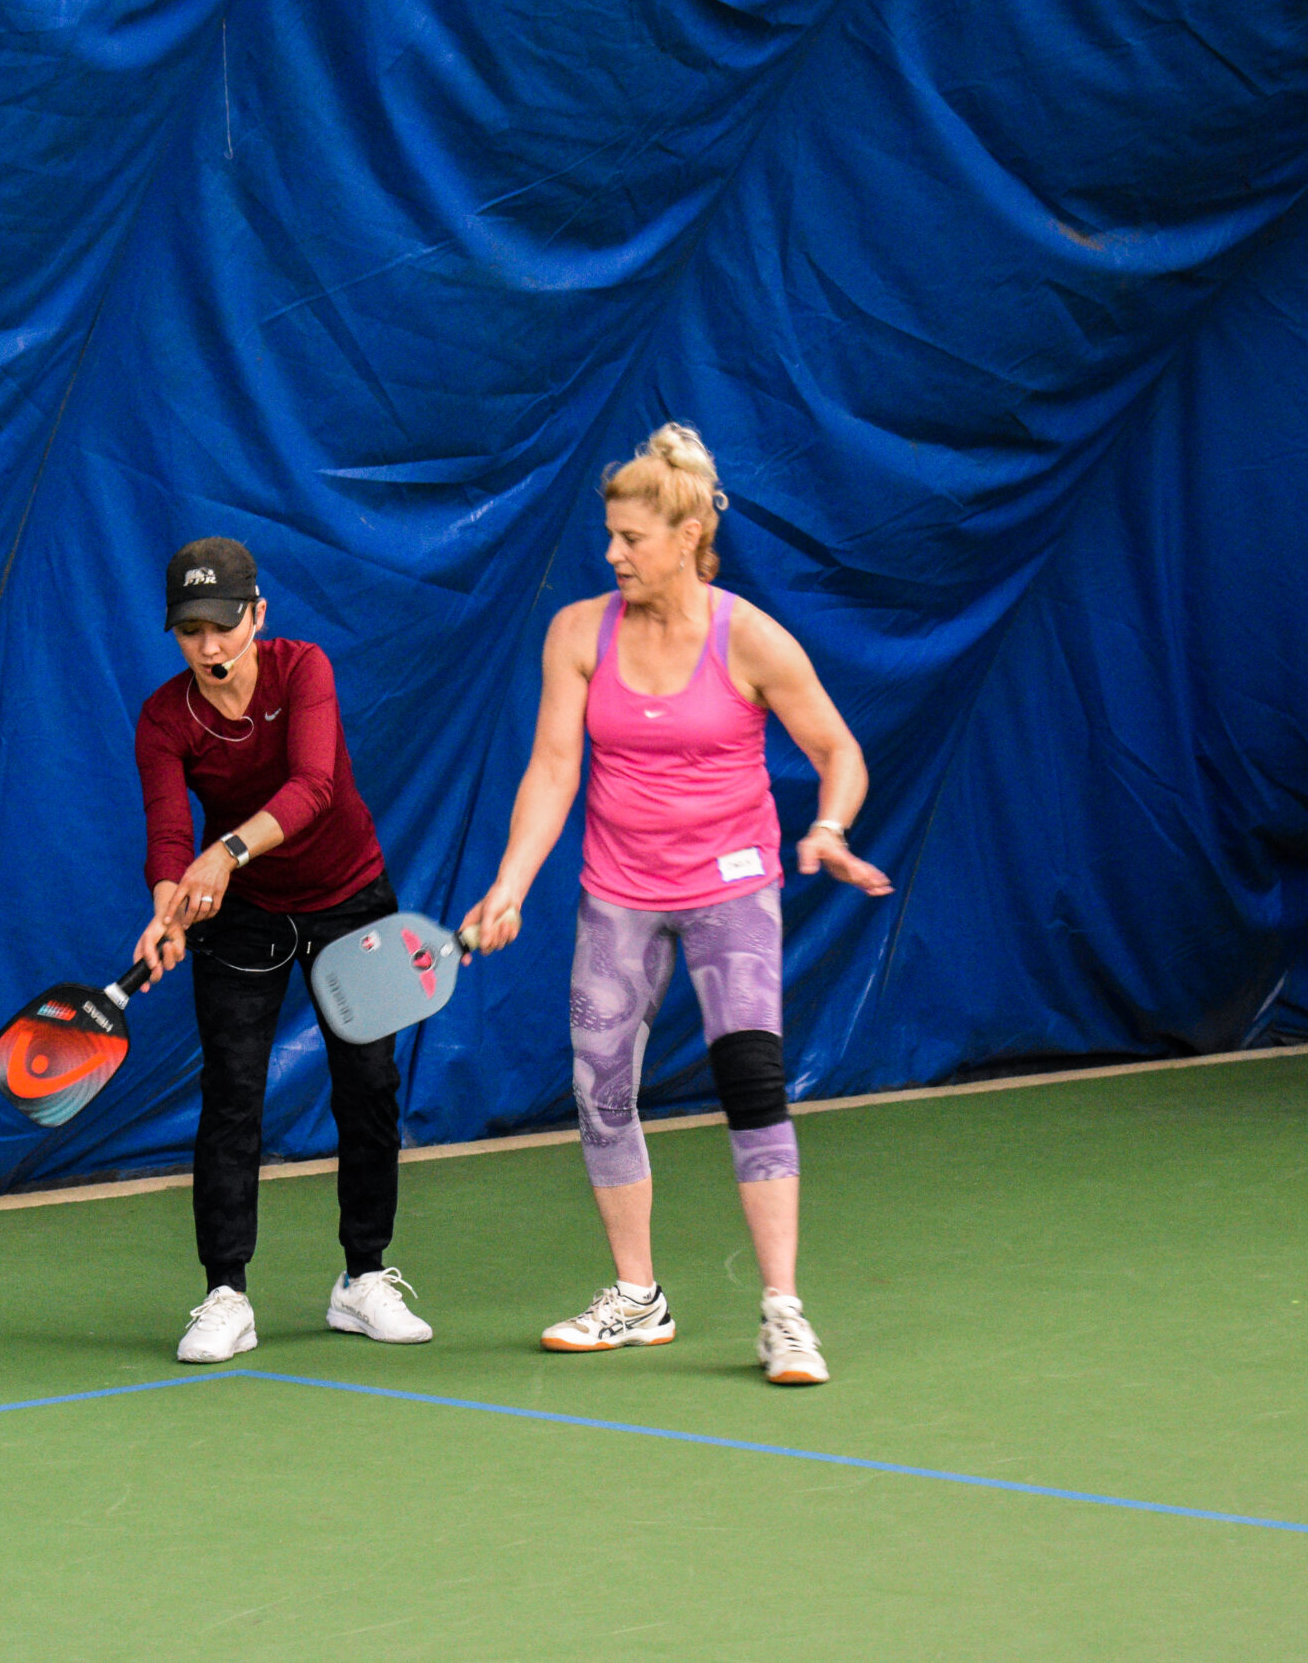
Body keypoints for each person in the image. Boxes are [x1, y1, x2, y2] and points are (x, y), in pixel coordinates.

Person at [462, 425, 893, 1385]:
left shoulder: (749, 637)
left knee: (752, 1081)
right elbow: (553, 767)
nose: (612, 553)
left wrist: (827, 827)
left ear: (691, 531)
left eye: (632, 538)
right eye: (609, 536)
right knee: (599, 1085)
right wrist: (512, 882)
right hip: (618, 892)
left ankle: (783, 1310)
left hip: (732, 888)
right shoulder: (578, 631)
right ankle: (637, 1296)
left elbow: (840, 749)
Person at [132, 537, 432, 1363]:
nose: (210, 646)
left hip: (351, 894)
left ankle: (362, 1278)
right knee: (232, 1095)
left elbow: (314, 785)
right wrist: (169, 910)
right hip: (246, 918)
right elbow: (166, 833)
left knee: (369, 1087)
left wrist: (220, 855)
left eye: (224, 626)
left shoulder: (305, 670)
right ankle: (224, 1292)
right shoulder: (165, 719)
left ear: (257, 616)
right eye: (191, 630)